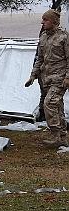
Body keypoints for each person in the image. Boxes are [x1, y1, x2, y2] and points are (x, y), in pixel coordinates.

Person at [24, 9, 69, 147]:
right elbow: (39, 58)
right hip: (46, 78)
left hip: (59, 78)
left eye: (46, 20)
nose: (42, 22)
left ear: (54, 21)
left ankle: (56, 135)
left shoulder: (64, 37)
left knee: (49, 104)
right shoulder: (43, 37)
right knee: (58, 107)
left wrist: (67, 77)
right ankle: (62, 136)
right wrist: (33, 75)